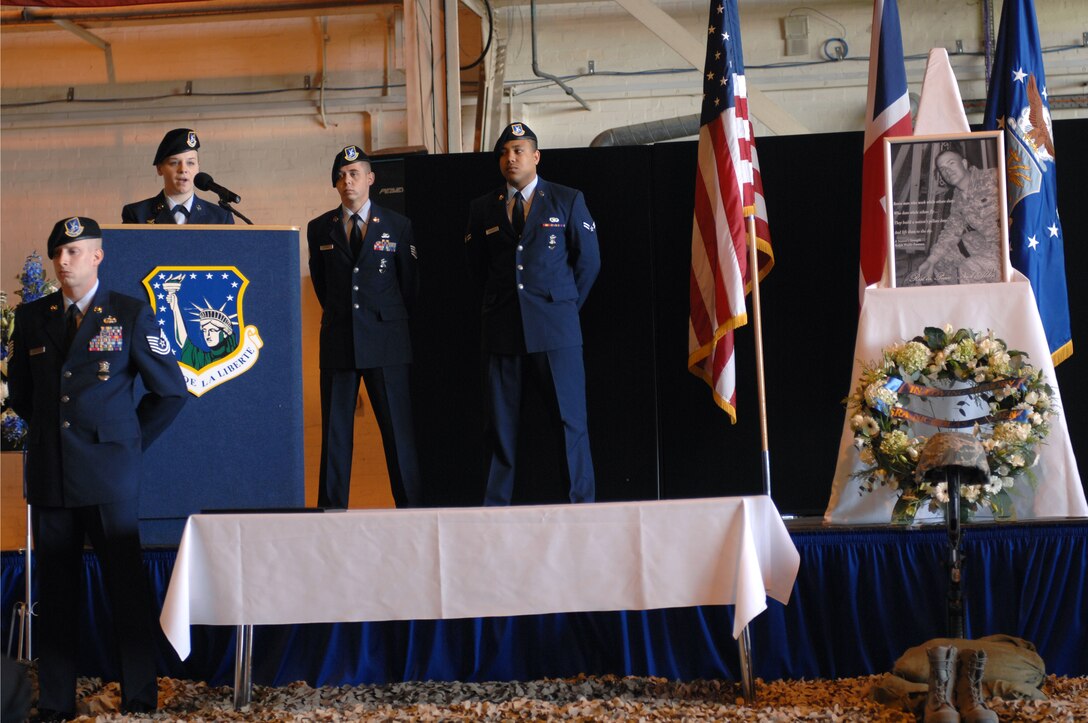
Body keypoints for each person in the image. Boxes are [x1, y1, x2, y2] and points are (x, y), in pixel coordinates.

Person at [7, 217, 188, 720]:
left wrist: (127, 444)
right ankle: (56, 703)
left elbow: (170, 391)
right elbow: (23, 394)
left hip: (109, 476)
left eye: (74, 251)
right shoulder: (32, 318)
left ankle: (138, 698)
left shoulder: (129, 314)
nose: (63, 261)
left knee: (125, 592)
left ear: (98, 256)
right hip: (51, 476)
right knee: (56, 594)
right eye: (57, 253)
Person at [464, 122, 601, 505]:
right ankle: (495, 514)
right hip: (502, 331)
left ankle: (580, 509)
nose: (511, 158)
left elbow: (588, 263)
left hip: (556, 332)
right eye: (505, 152)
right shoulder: (482, 208)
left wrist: (562, 307)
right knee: (500, 429)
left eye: (519, 150)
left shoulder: (567, 200)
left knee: (569, 423)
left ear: (536, 156)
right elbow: (477, 269)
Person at [307, 145, 422, 509]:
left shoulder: (397, 225)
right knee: (336, 435)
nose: (347, 181)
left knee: (398, 434)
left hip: (386, 340)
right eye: (341, 175)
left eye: (354, 173)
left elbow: (409, 286)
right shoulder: (319, 227)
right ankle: (332, 510)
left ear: (370, 179)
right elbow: (323, 286)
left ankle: (411, 510)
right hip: (340, 341)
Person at [915, 148, 1001, 285]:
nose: (947, 171)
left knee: (969, 269)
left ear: (964, 164)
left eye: (951, 163)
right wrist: (931, 260)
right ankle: (957, 299)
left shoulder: (993, 177)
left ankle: (980, 303)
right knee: (941, 262)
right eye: (942, 169)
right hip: (986, 244)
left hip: (1008, 249)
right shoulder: (958, 197)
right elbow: (951, 230)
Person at [121, 128, 235, 225]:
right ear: (159, 169)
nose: (183, 170)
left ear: (198, 167)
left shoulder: (220, 218)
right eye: (174, 163)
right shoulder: (137, 214)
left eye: (190, 163)